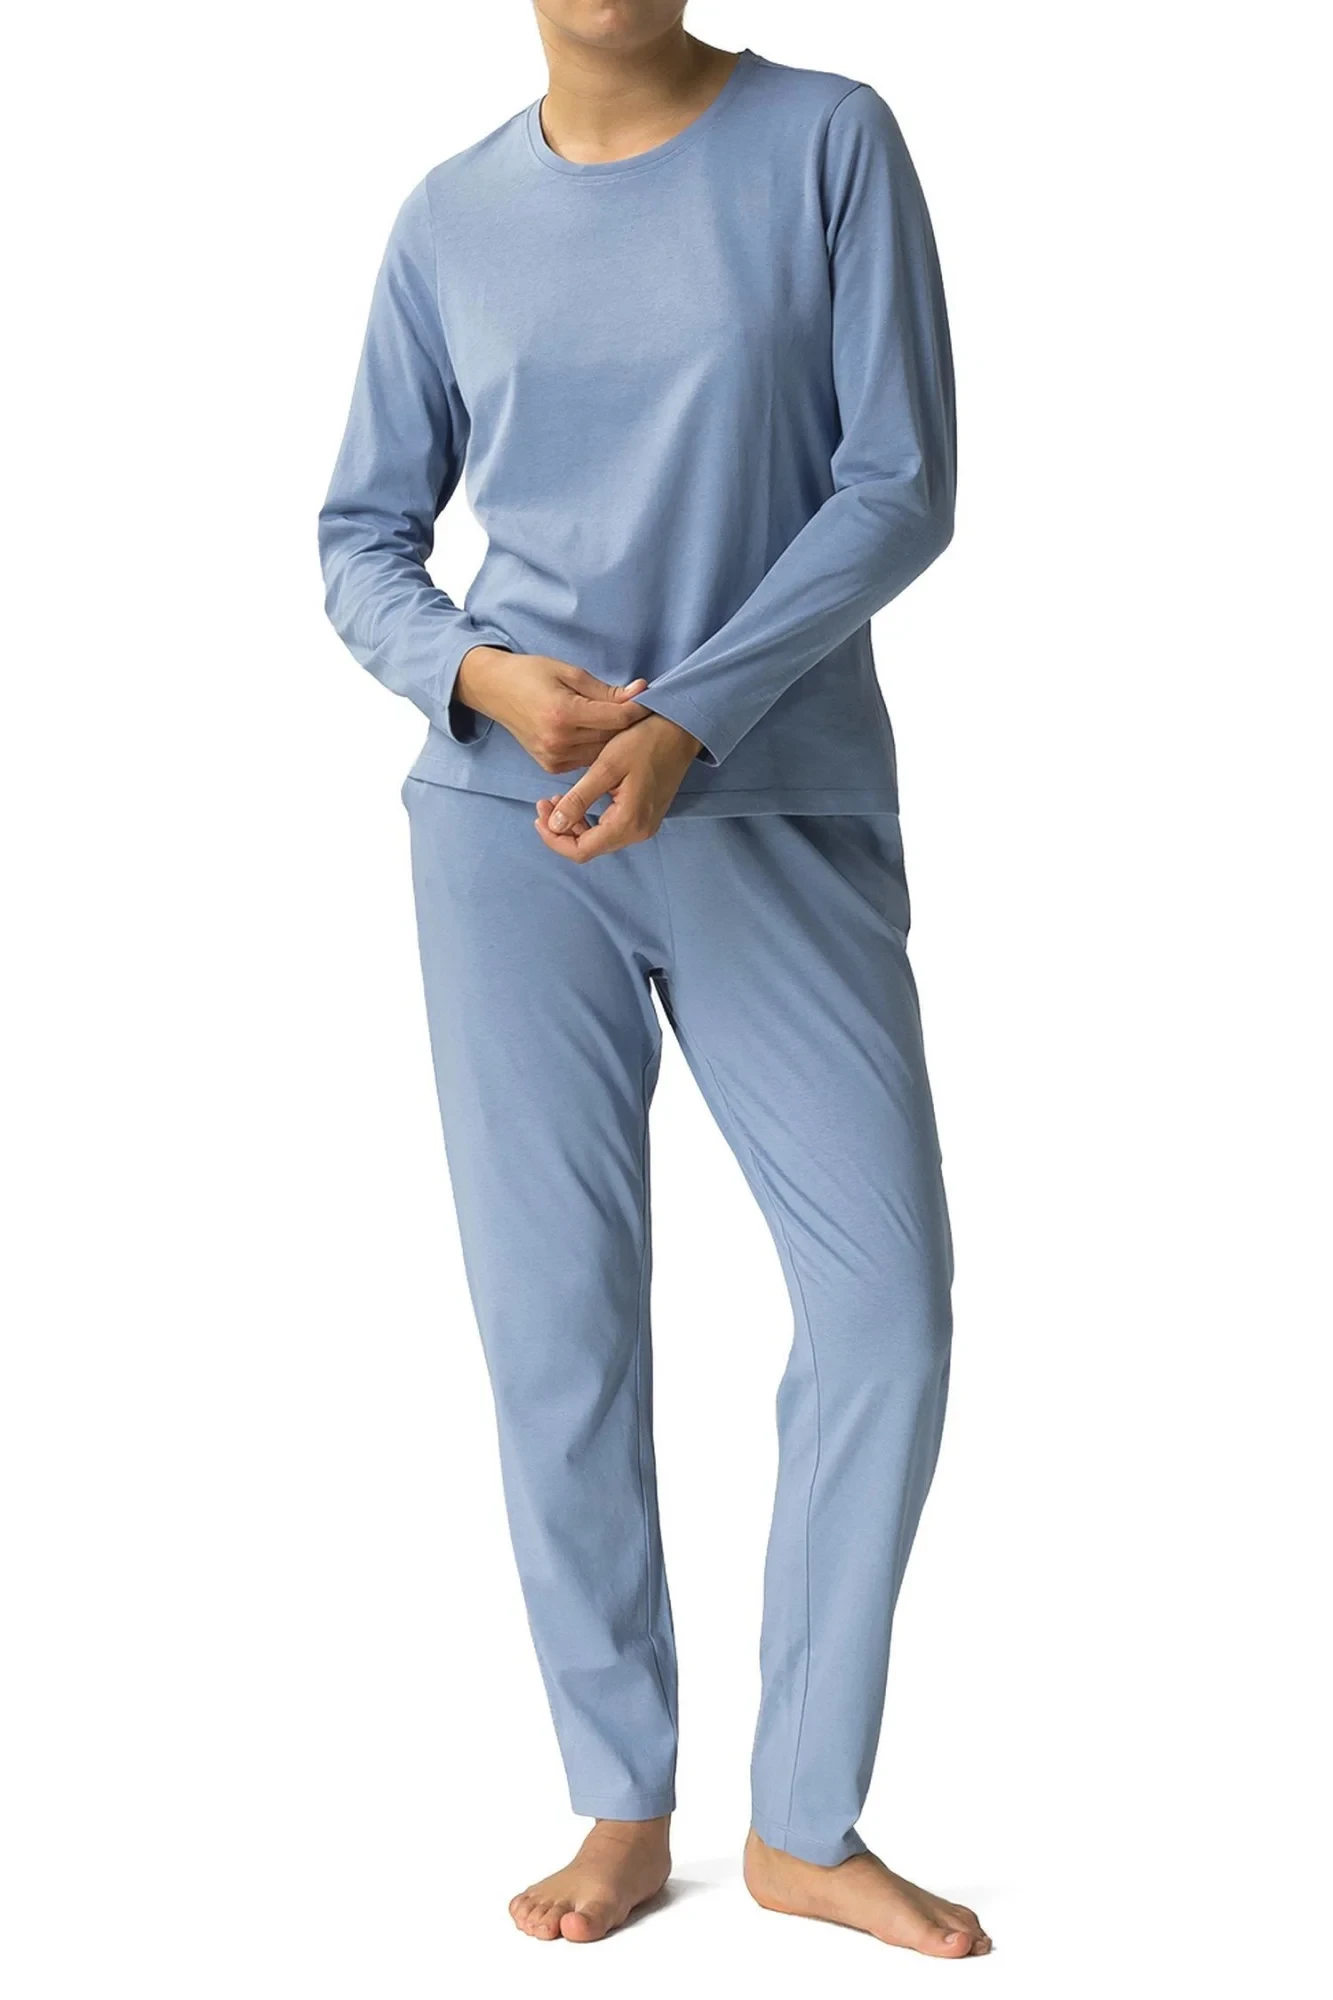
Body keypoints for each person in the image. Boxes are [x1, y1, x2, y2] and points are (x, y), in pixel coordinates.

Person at [319, 1, 988, 1957]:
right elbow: (360, 539)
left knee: (885, 1310)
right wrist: (474, 672)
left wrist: (691, 717)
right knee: (560, 1338)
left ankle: (804, 1821)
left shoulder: (830, 143)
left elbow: (900, 481)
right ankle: (621, 1797)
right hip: (504, 829)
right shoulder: (449, 219)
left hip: (769, 805)